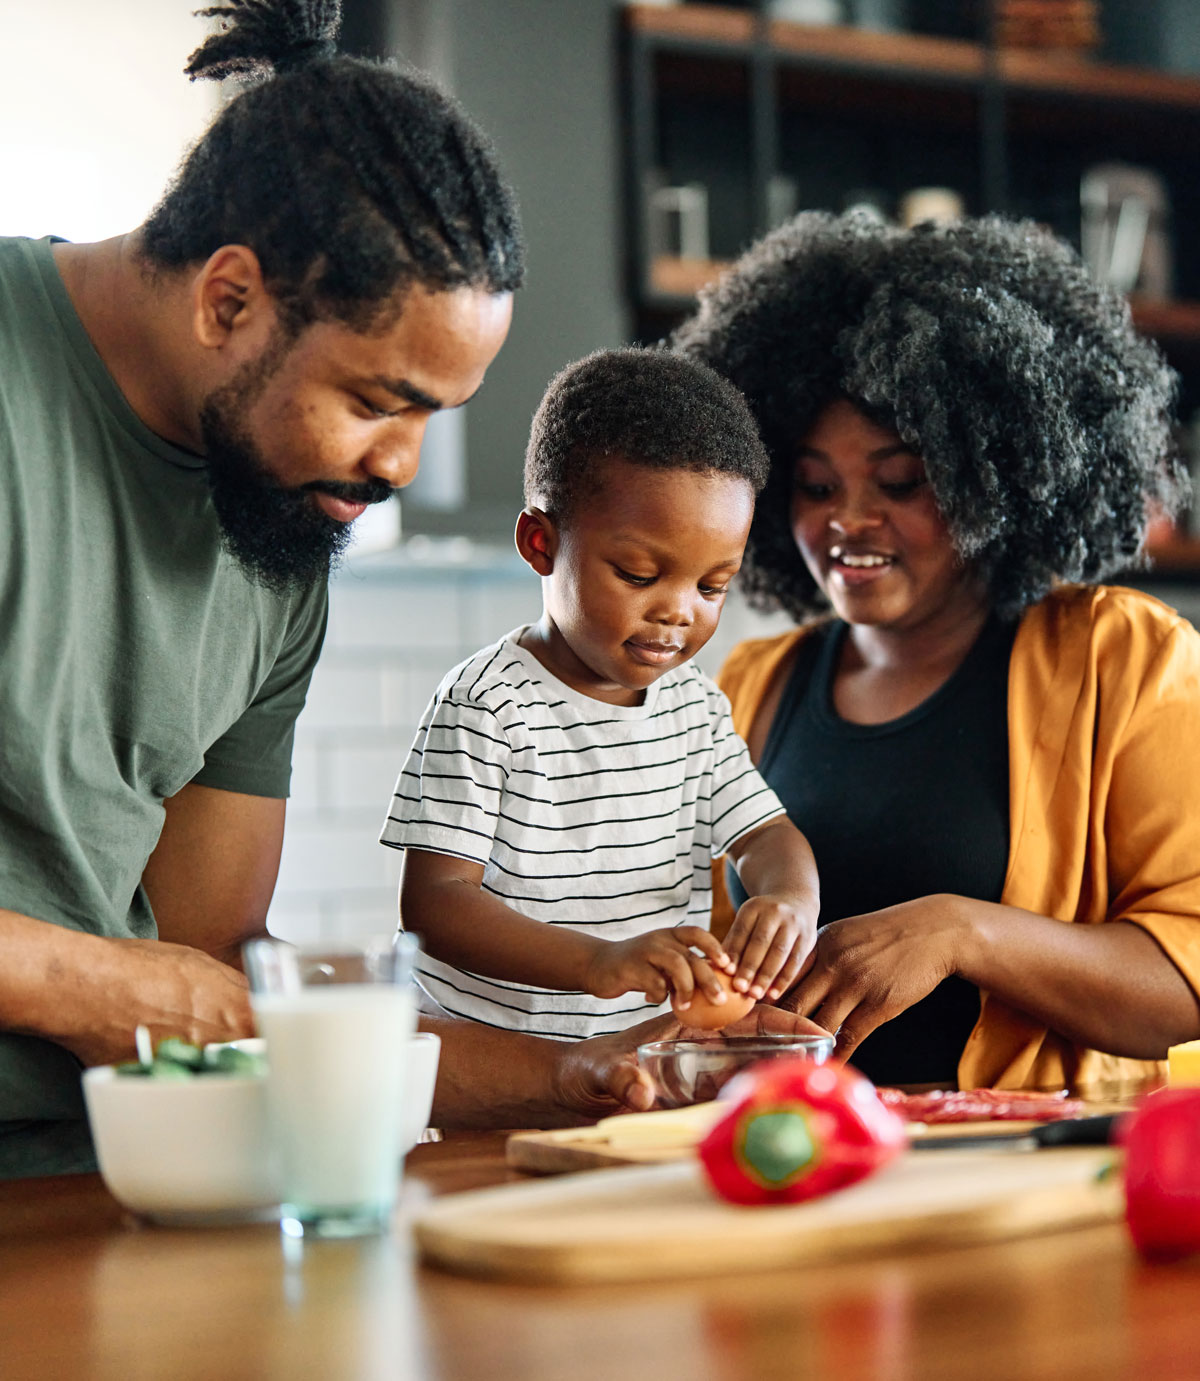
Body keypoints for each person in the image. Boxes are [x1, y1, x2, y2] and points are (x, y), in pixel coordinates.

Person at [0, 0, 523, 1177]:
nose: (401, 466)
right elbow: (148, 988)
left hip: (101, 1180)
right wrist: (89, 980)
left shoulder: (280, 521)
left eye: (434, 415)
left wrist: (603, 1070)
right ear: (228, 298)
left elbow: (211, 960)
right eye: (379, 400)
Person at [673, 209, 1200, 1097]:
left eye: (901, 480)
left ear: (991, 471)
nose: (848, 522)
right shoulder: (750, 686)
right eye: (814, 484)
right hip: (786, 1163)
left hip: (1019, 1182)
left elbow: (1186, 983)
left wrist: (964, 932)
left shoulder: (1122, 657)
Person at [382, 349, 821, 1040]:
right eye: (639, 573)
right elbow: (436, 907)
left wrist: (790, 898)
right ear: (540, 542)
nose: (679, 612)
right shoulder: (487, 706)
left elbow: (764, 834)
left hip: (648, 1059)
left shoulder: (694, 708)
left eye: (712, 585)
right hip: (501, 1072)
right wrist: (598, 962)